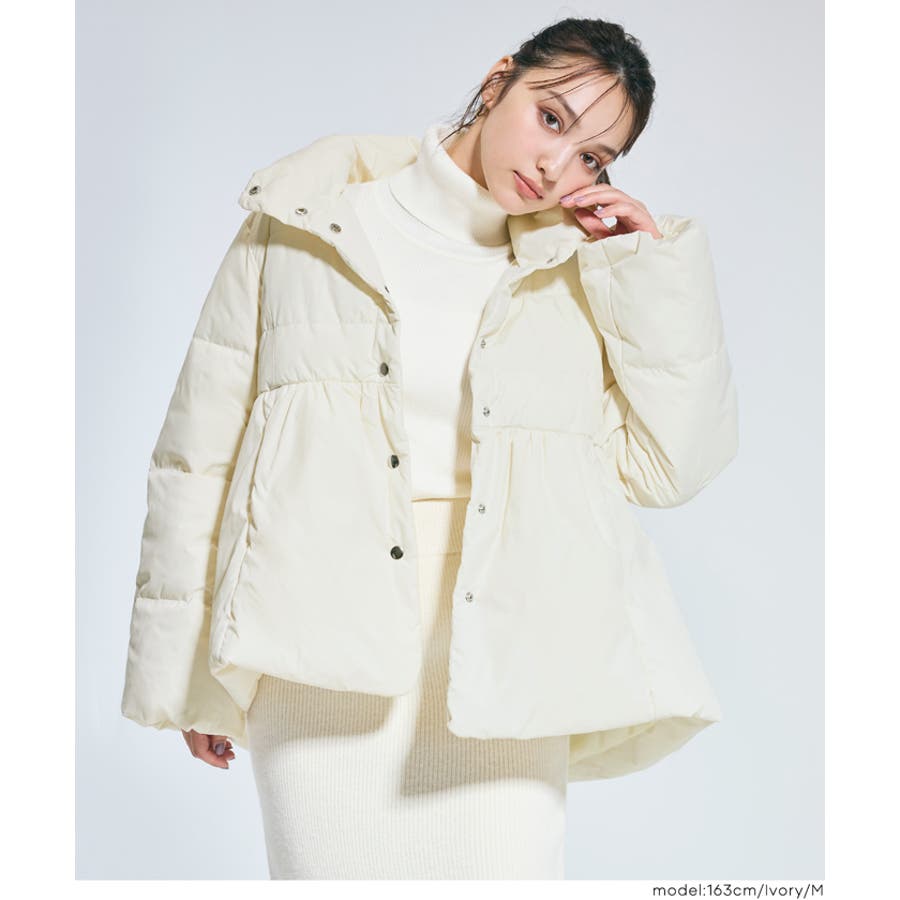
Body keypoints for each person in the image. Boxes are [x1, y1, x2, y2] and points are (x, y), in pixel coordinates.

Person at [121, 16, 739, 880]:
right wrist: (185, 676)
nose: (556, 166)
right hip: (316, 645)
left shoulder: (578, 265)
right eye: (551, 118)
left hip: (510, 657)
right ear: (498, 80)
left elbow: (673, 464)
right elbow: (199, 454)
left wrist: (649, 269)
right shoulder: (304, 221)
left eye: (593, 157)